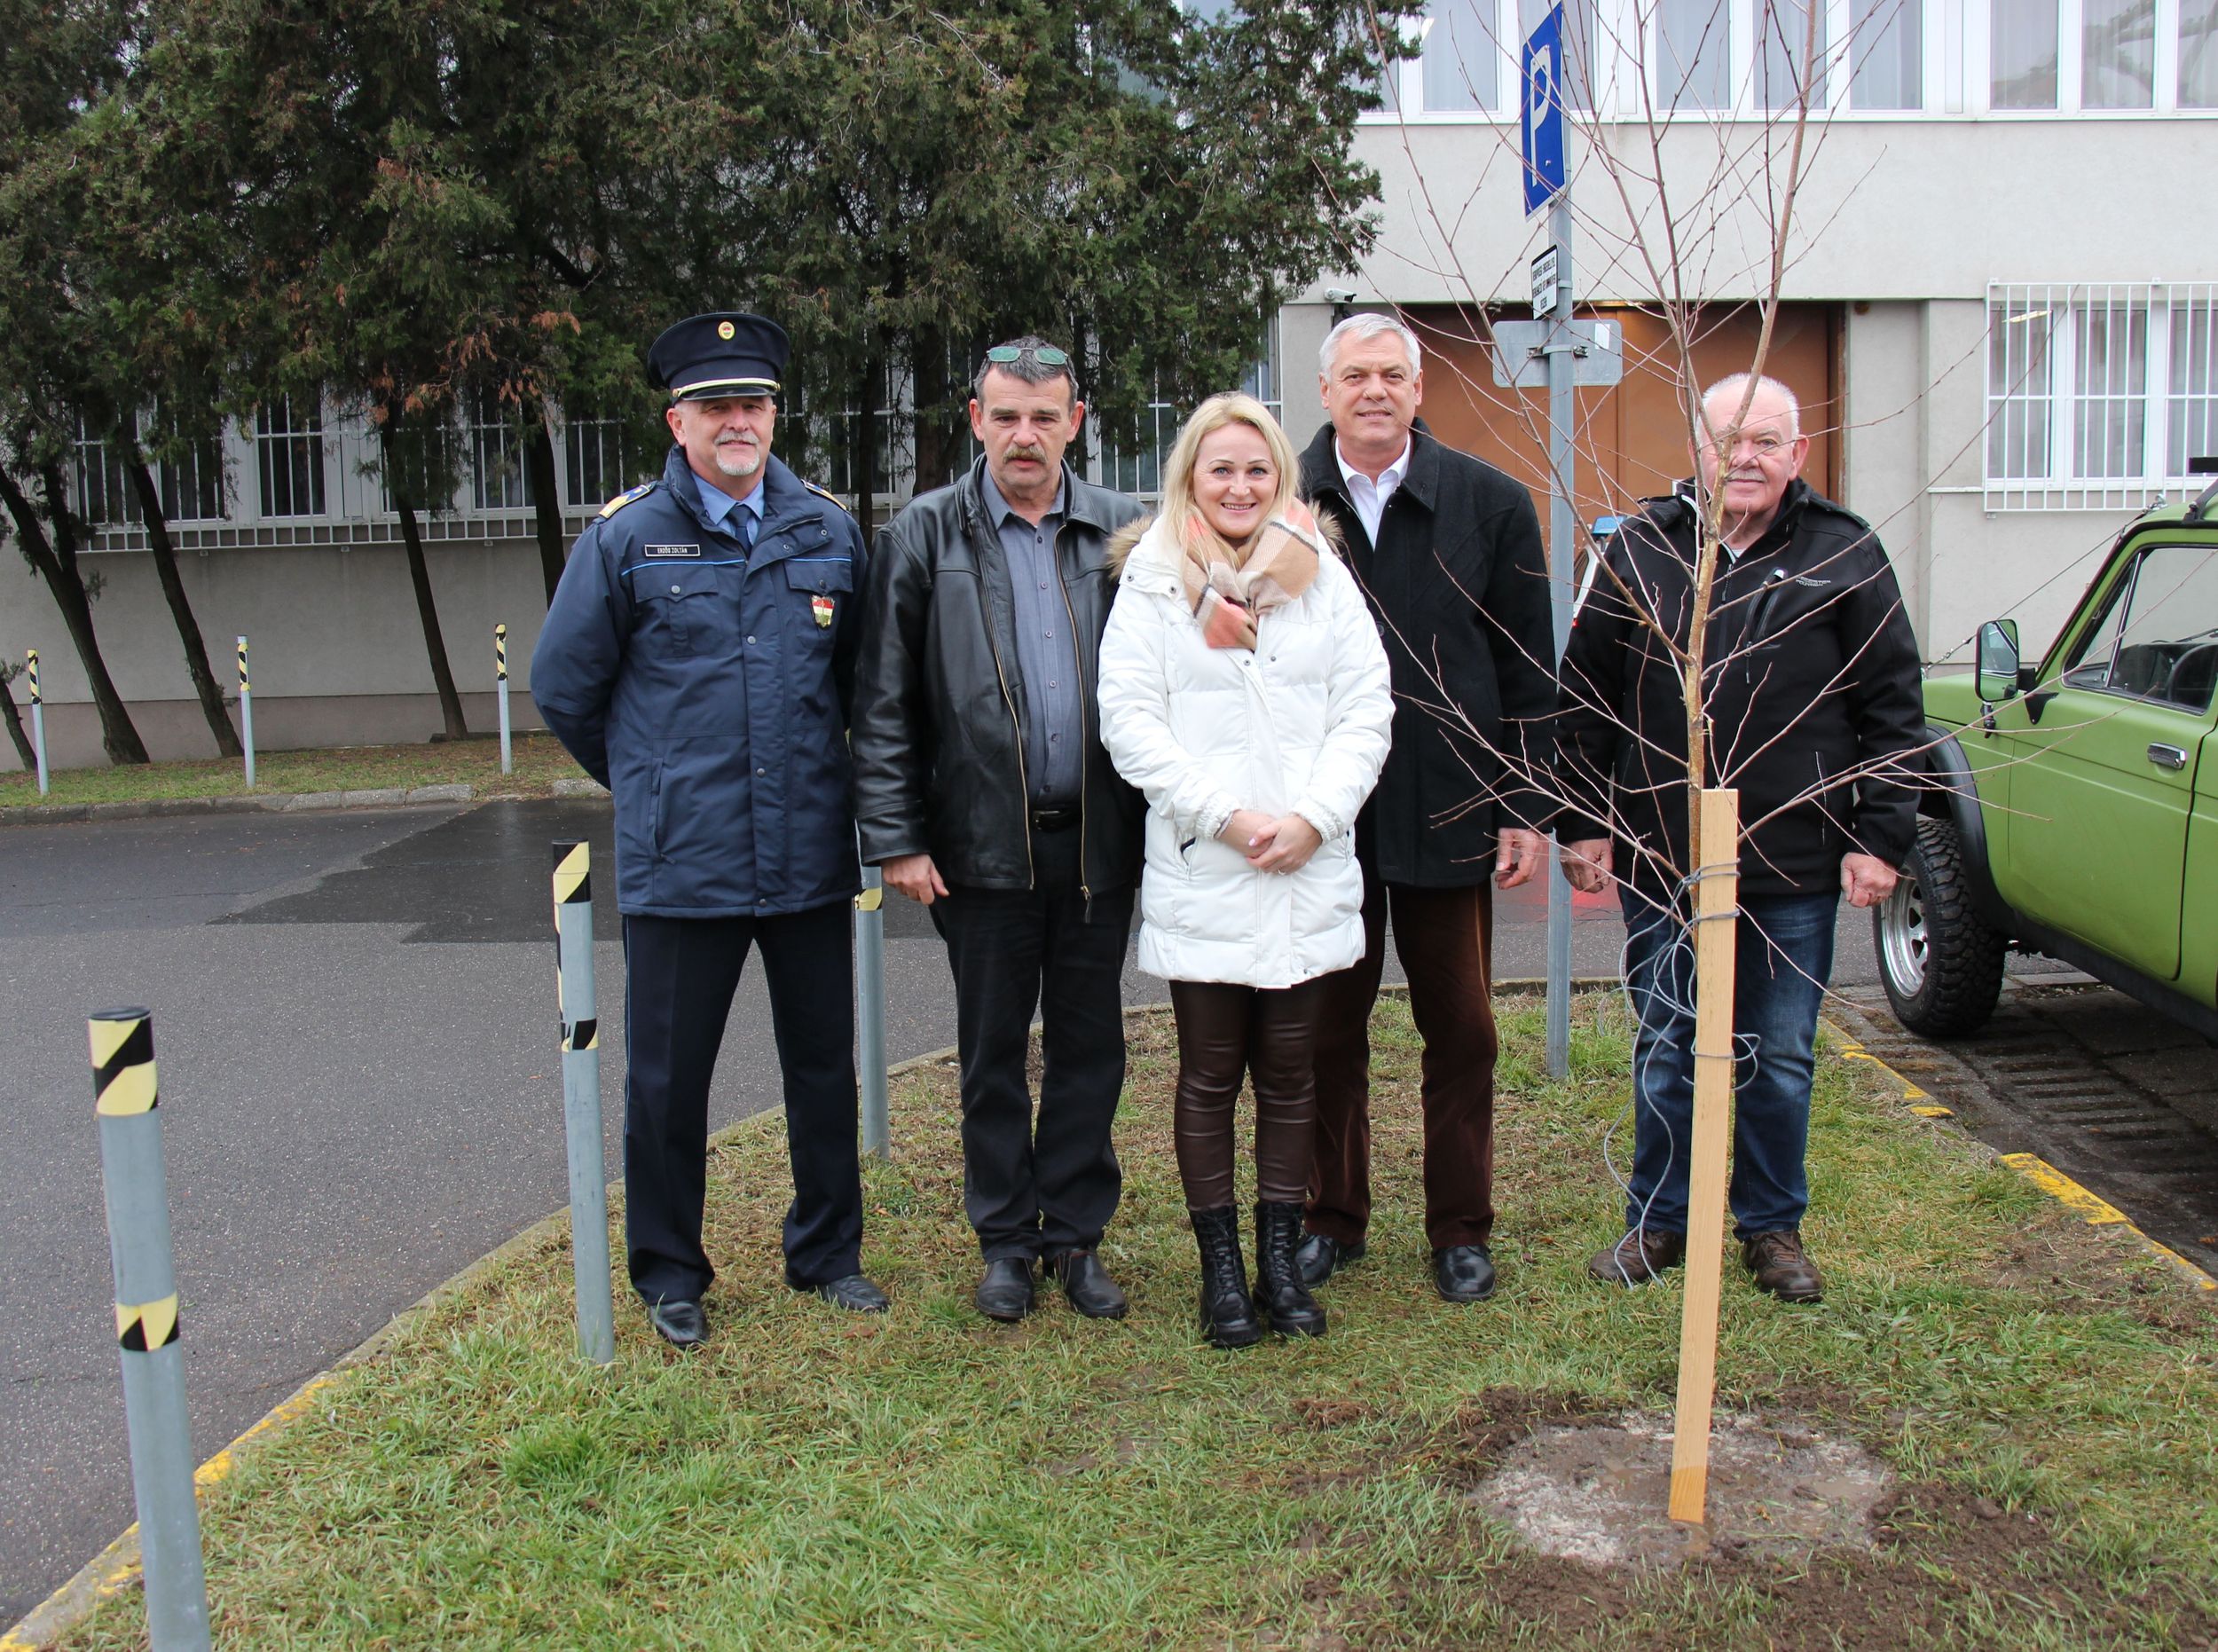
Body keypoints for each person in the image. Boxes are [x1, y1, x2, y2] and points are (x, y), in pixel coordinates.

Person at [531, 311, 885, 1348]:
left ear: (775, 414)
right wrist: (649, 784)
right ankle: (670, 1270)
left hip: (811, 852)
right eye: (718, 405)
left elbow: (860, 682)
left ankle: (827, 1253)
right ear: (677, 419)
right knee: (666, 1079)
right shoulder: (627, 538)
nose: (740, 421)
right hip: (683, 859)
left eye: (755, 403)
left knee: (823, 1067)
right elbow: (564, 686)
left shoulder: (825, 530)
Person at [1556, 371, 1924, 1304]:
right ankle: (1660, 1218)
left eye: (1767, 441)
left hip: (1792, 860)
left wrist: (1876, 837)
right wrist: (1585, 820)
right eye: (1729, 441)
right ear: (1699, 450)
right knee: (1668, 1043)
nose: (1746, 458)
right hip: (1664, 855)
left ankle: (1770, 1226)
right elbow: (1585, 698)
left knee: (1780, 1050)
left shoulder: (1844, 555)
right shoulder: (1643, 551)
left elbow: (1890, 710)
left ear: (1797, 454)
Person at [850, 339, 1145, 1323]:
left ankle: (1075, 1235)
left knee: (1089, 1044)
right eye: (1006, 415)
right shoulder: (922, 534)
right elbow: (883, 702)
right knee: (990, 1054)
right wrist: (895, 835)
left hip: (1100, 842)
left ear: (1076, 418)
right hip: (976, 849)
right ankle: (1005, 1241)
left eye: (1045, 415)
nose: (1026, 434)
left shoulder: (1124, 532)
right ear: (975, 419)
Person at [1097, 393, 1392, 1347]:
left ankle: (1280, 1261)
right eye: (1219, 468)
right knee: (1209, 1075)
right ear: (1190, 476)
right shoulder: (1150, 580)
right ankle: (1220, 1272)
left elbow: (1366, 708)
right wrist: (1224, 816)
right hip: (1207, 865)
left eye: (1257, 469)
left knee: (1294, 1073)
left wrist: (1313, 816)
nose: (1239, 485)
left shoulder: (1323, 577)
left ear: (1282, 480)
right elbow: (1130, 722)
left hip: (1307, 865)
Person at [1294, 313, 1556, 1305]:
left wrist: (1527, 806)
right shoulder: (1280, 501)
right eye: (1354, 375)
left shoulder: (1488, 503)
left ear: (1417, 389)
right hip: (1328, 820)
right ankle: (1332, 1214)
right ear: (1325, 391)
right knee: (1327, 1031)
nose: (1373, 391)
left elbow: (1530, 665)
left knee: (1465, 1032)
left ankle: (1459, 1226)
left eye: (1392, 375)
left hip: (1453, 805)